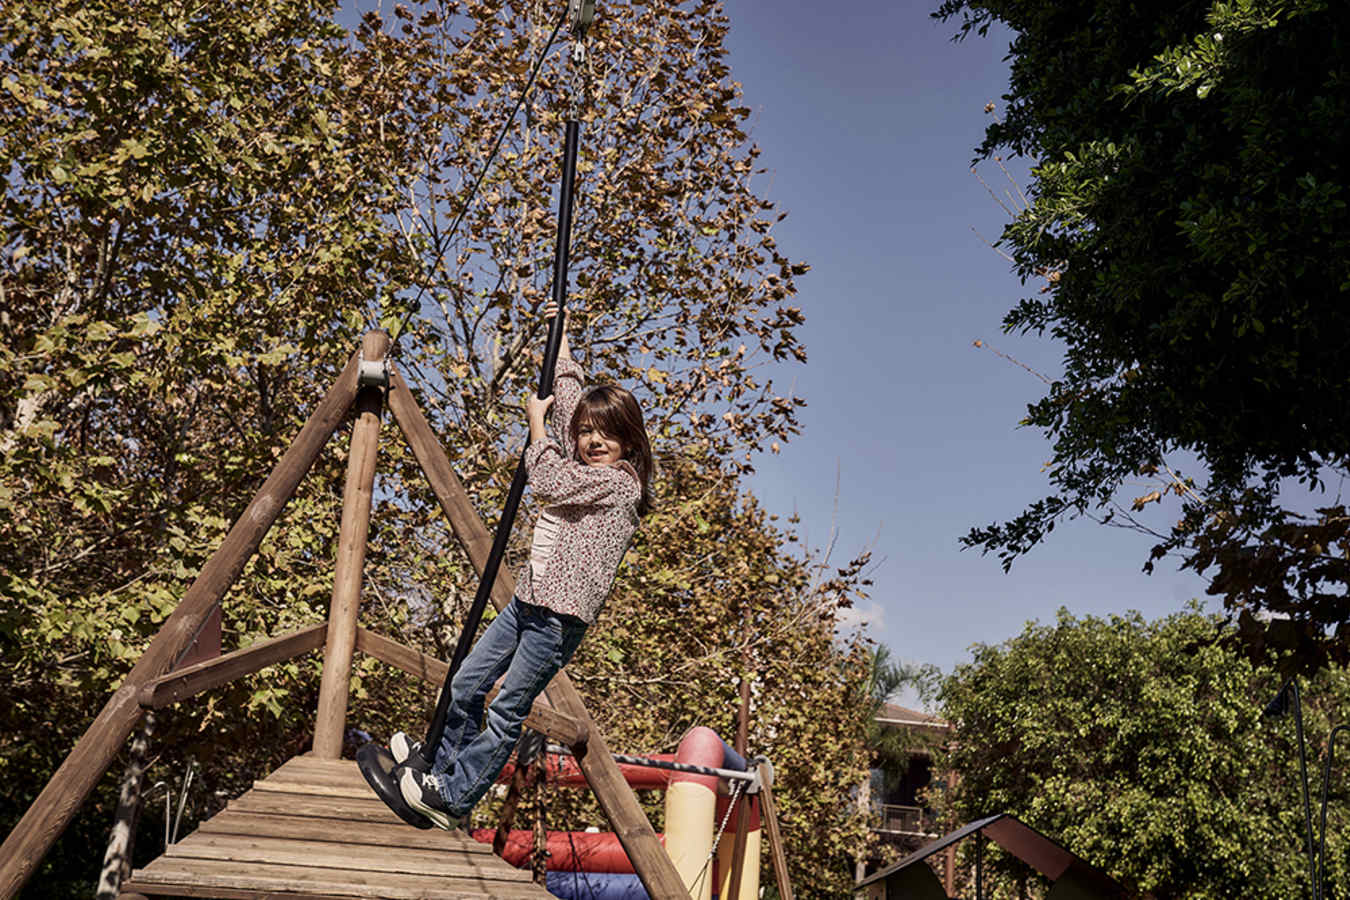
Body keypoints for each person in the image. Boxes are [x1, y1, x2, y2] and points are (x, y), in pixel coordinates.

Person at [391, 303, 653, 830]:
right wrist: (559, 334)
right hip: (528, 600)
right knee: (465, 682)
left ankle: (455, 796)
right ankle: (439, 770)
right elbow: (569, 396)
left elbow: (549, 481)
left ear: (628, 442)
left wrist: (536, 429)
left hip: (558, 619)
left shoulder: (621, 484)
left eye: (606, 434)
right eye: (585, 434)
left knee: (507, 708)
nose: (592, 441)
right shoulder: (586, 454)